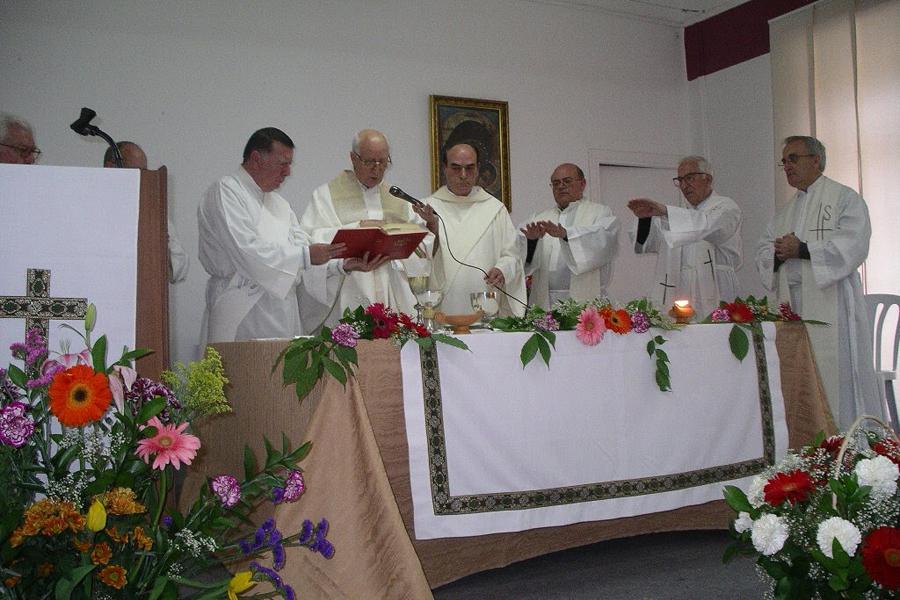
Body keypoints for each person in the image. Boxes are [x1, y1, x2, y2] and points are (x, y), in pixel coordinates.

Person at [198, 127, 384, 344]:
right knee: (243, 375)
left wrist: (341, 265)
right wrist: (306, 255)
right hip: (242, 312)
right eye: (283, 164)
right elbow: (248, 252)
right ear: (256, 159)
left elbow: (302, 251)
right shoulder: (226, 192)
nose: (288, 172)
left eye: (289, 165)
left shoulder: (280, 205)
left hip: (283, 313)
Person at [756, 136, 881, 428]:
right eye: (784, 161)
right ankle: (810, 442)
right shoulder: (786, 211)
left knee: (837, 376)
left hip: (832, 301)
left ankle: (846, 441)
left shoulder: (844, 198)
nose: (787, 166)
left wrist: (802, 249)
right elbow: (763, 249)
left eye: (793, 158)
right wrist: (778, 253)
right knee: (801, 375)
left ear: (816, 160)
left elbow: (854, 243)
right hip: (795, 305)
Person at [299, 129, 437, 330]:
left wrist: (428, 226)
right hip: (349, 292)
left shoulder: (398, 197)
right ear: (353, 158)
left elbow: (423, 247)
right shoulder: (325, 196)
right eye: (370, 162)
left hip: (392, 296)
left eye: (383, 162)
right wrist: (357, 228)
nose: (377, 169)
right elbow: (312, 242)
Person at [627, 156, 742, 318]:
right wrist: (645, 219)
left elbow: (708, 227)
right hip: (681, 291)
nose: (683, 185)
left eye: (690, 178)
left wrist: (666, 212)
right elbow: (647, 244)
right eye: (680, 180)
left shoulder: (726, 207)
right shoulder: (676, 215)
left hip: (717, 288)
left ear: (707, 179)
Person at [424, 143, 526, 317]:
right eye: (456, 168)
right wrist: (432, 228)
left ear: (478, 169)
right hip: (442, 307)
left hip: (485, 304)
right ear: (445, 168)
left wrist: (502, 269)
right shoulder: (428, 209)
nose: (463, 176)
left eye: (470, 168)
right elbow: (417, 261)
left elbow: (512, 255)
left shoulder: (495, 209)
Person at [519, 163, 618, 307]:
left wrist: (567, 235)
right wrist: (532, 242)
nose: (561, 186)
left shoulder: (600, 213)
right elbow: (522, 261)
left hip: (586, 301)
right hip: (544, 302)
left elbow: (603, 244)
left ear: (583, 184)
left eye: (567, 181)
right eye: (556, 183)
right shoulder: (538, 219)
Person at [102, 141, 190, 283]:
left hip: (146, 295)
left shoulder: (151, 209)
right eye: (137, 171)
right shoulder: (89, 205)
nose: (142, 177)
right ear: (110, 167)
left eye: (144, 172)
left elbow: (179, 269)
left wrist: (160, 244)